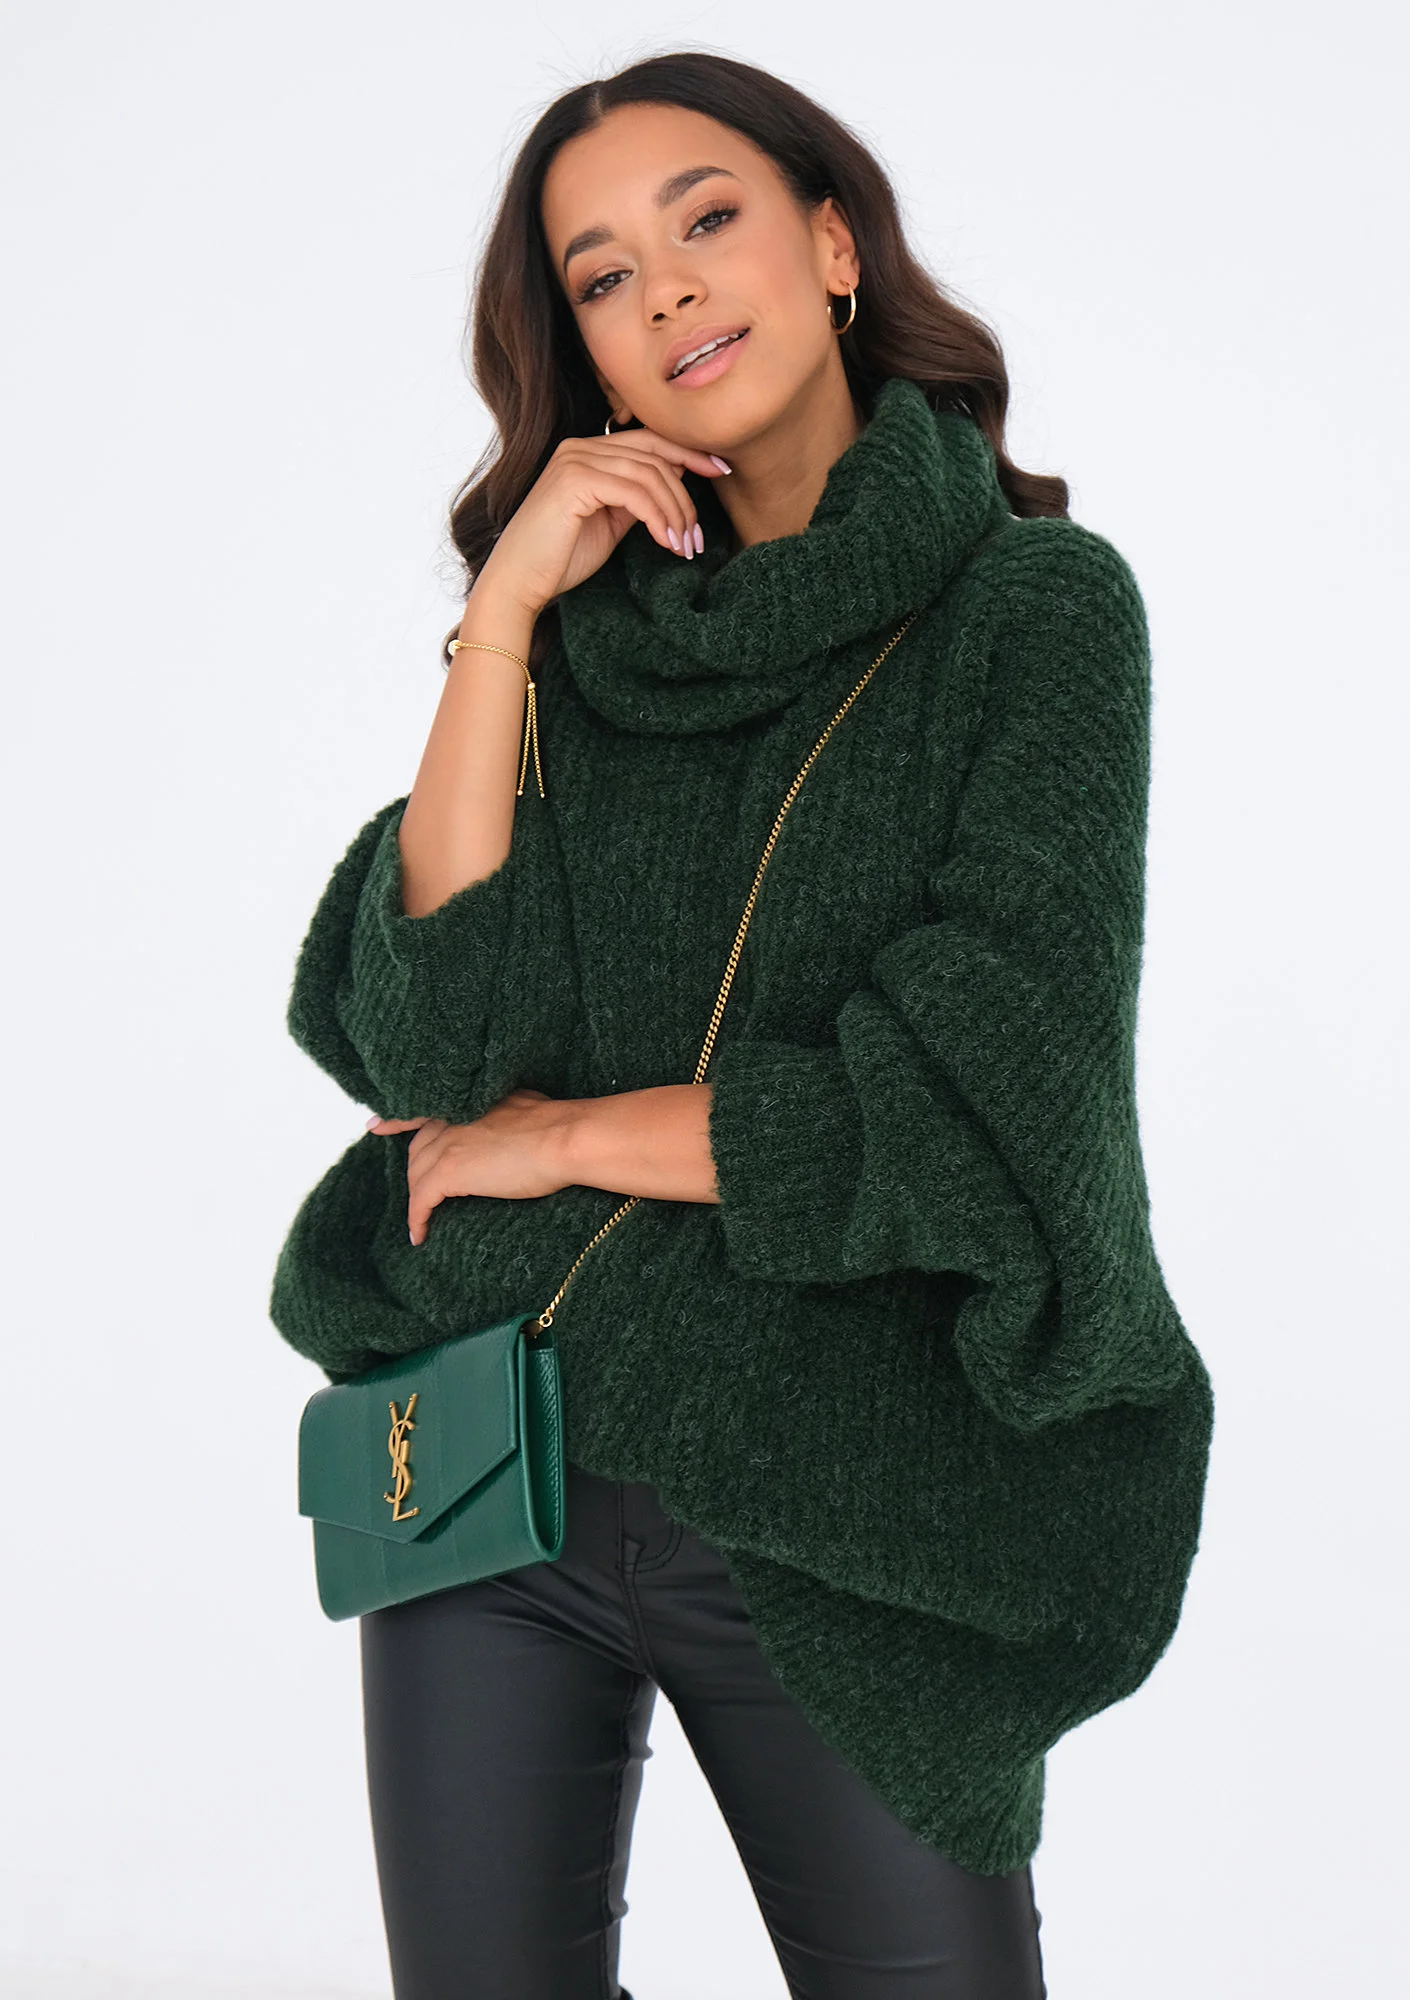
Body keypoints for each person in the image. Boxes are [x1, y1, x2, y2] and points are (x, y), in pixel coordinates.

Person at [270, 48, 1214, 2000]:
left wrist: (562, 1138)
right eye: (605, 274)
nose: (671, 287)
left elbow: (972, 1107)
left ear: (834, 243)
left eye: (705, 218)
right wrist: (504, 615)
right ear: (587, 355)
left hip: (832, 1505)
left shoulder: (1032, 615)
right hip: (487, 1471)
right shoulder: (578, 641)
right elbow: (426, 1044)